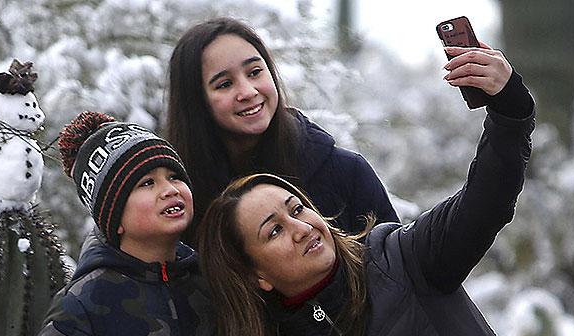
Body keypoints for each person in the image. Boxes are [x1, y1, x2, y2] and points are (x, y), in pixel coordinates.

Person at [197, 42, 535, 336]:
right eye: (274, 231)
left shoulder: (401, 258)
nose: (301, 229)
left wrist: (509, 109)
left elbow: (486, 201)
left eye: (297, 209)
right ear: (258, 276)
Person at [165, 17, 400, 243]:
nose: (247, 91)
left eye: (255, 72)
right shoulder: (183, 199)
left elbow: (398, 269)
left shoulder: (346, 173)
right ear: (195, 102)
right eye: (225, 84)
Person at [21, 112, 219, 336]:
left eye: (174, 176)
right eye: (147, 183)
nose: (170, 189)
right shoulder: (85, 300)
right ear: (114, 217)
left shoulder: (210, 279)